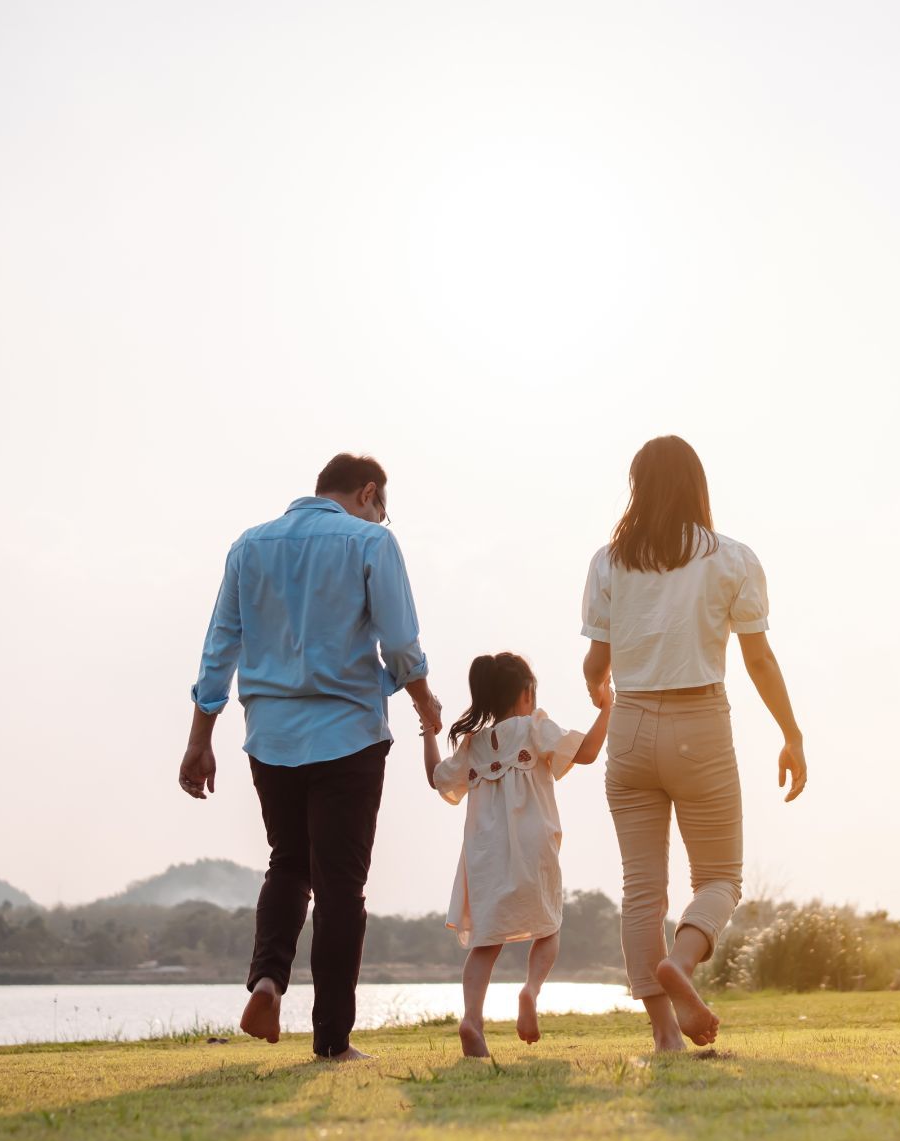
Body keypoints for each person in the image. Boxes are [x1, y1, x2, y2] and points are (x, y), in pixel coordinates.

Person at [177, 452, 442, 1060]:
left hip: (270, 737)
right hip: (348, 733)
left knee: (288, 864)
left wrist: (200, 738)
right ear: (369, 493)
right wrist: (425, 700)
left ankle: (268, 980)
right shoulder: (370, 542)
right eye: (383, 509)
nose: (382, 518)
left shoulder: (249, 546)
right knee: (342, 888)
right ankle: (331, 1042)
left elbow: (221, 644)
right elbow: (401, 643)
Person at [580, 436, 808, 1052]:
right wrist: (791, 734)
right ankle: (681, 961)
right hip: (699, 723)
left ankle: (664, 1037)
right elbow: (757, 659)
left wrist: (605, 693)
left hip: (629, 728)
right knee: (720, 878)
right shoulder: (732, 559)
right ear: (697, 486)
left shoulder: (608, 562)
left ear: (638, 487)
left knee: (641, 889)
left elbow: (594, 666)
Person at [423, 653, 610, 1058]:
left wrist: (429, 732)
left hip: (485, 857)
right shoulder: (534, 727)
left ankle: (472, 1019)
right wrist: (609, 707)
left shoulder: (473, 745)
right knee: (548, 928)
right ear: (527, 694)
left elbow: (436, 778)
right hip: (534, 848)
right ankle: (530, 990)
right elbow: (589, 752)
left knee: (485, 944)